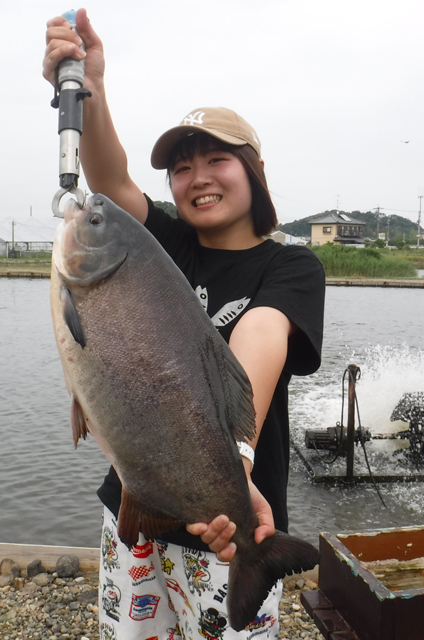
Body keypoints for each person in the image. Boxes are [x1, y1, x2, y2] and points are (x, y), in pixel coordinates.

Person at [44, 9, 325, 639]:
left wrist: (238, 465)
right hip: (133, 515)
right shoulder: (162, 244)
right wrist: (92, 83)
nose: (196, 178)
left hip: (234, 522)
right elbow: (109, 180)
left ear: (253, 168)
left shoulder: (291, 265)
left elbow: (260, 334)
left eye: (216, 160)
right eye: (180, 167)